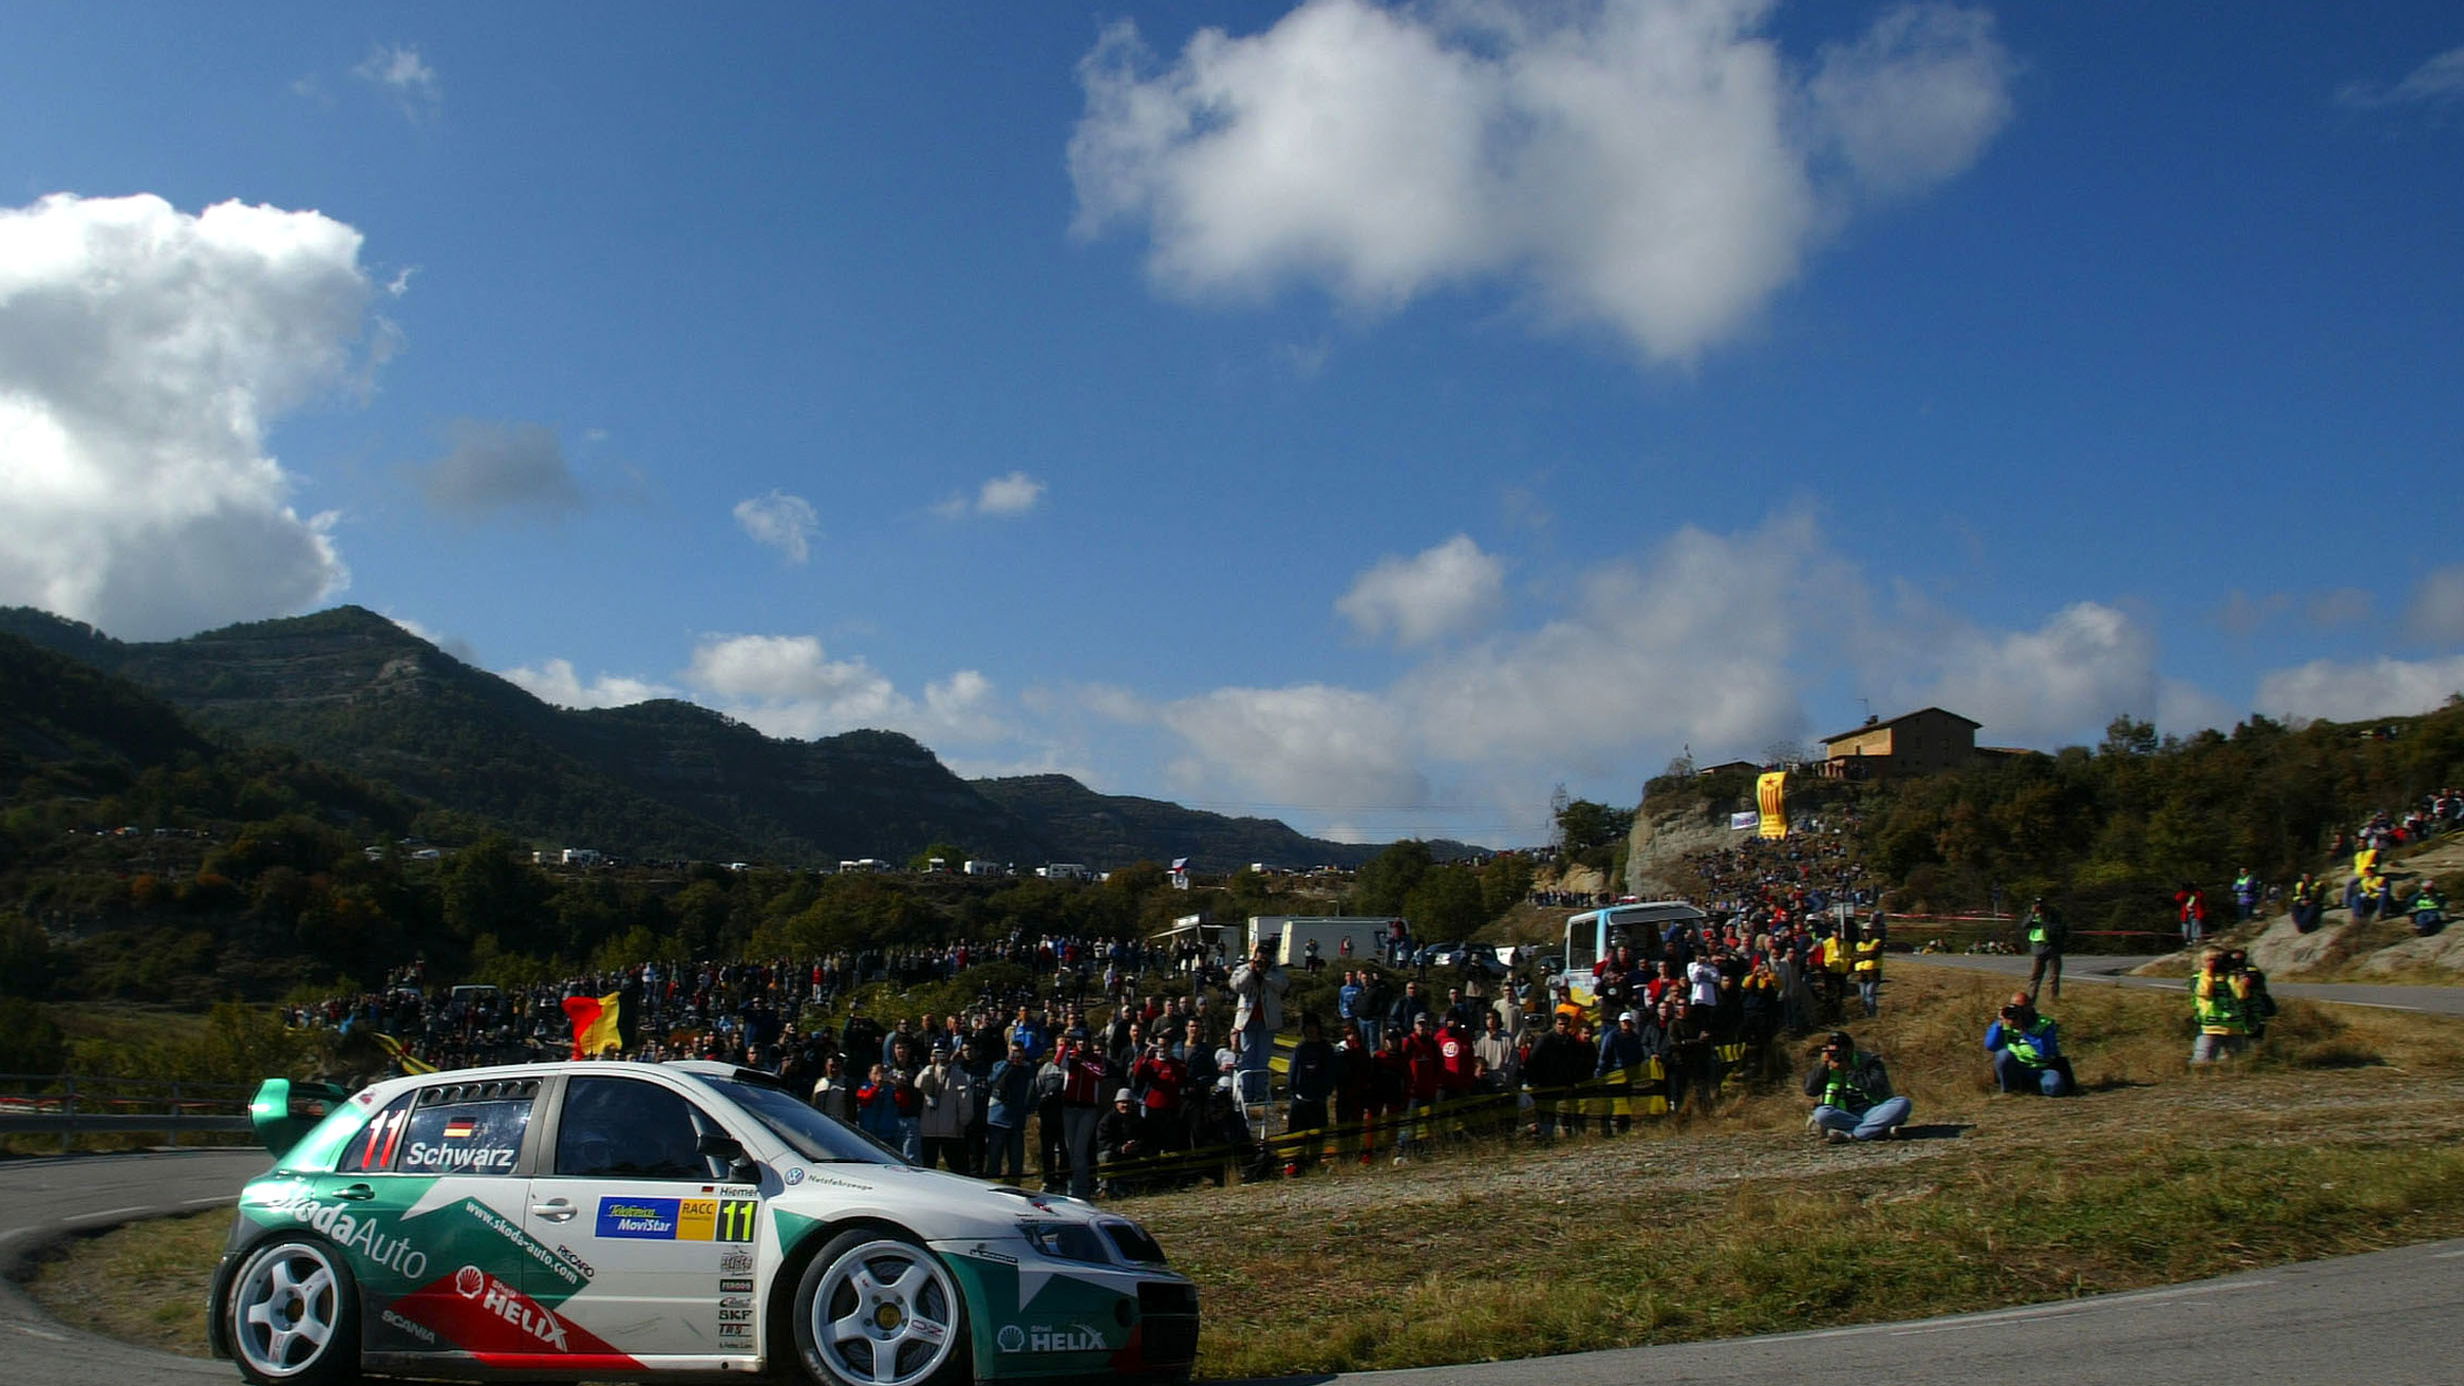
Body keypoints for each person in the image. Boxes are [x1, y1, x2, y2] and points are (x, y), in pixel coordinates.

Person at [1803, 1030, 1910, 1142]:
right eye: (1832, 1052)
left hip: (1872, 1110)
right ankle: (1878, 1130)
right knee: (1821, 1114)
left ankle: (1852, 1135)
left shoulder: (1870, 1061)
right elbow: (1810, 1090)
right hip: (1842, 1114)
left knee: (1902, 1103)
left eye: (1840, 1052)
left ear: (1850, 1050)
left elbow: (1878, 1088)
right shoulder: (1825, 1065)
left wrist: (1849, 1071)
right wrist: (1823, 1067)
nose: (1836, 1055)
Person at [1983, 992, 2072, 1096]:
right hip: (2016, 1066)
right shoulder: (2006, 1022)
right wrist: (2000, 1024)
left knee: (2054, 1088)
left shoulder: (2045, 1024)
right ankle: (2010, 1090)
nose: (2018, 1012)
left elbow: (2046, 1053)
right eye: (2014, 1007)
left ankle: (2033, 1085)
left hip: (2041, 1067)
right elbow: (1991, 1046)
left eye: (2021, 1008)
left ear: (2030, 1007)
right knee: (2003, 1054)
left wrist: (2024, 1031)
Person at [1227, 941, 1288, 1079]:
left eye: (1264, 959)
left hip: (1268, 1022)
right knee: (1246, 1057)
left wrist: (1266, 973)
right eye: (1259, 959)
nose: (1261, 963)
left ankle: (1260, 1089)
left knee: (1263, 1059)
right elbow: (1236, 986)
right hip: (1247, 1021)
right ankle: (1246, 1088)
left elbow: (1282, 986)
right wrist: (1251, 970)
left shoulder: (1276, 971)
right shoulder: (1243, 969)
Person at [983, 1040, 1033, 1183]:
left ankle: (1014, 1184)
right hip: (998, 1118)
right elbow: (992, 1080)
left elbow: (1032, 1090)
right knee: (994, 1157)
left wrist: (1029, 1108)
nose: (1017, 1055)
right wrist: (1008, 1063)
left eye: (1019, 1051)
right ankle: (991, 1184)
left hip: (1017, 1120)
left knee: (1016, 1161)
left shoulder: (1027, 1069)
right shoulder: (999, 1065)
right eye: (1014, 1051)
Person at [2191, 950, 2254, 1063]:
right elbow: (2204, 993)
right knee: (2202, 1062)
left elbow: (2241, 995)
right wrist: (2208, 973)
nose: (2215, 963)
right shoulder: (2198, 978)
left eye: (2218, 960)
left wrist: (2233, 974)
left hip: (2234, 1027)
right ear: (2202, 962)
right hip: (2211, 1028)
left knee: (2238, 1063)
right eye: (2210, 960)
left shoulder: (2232, 977)